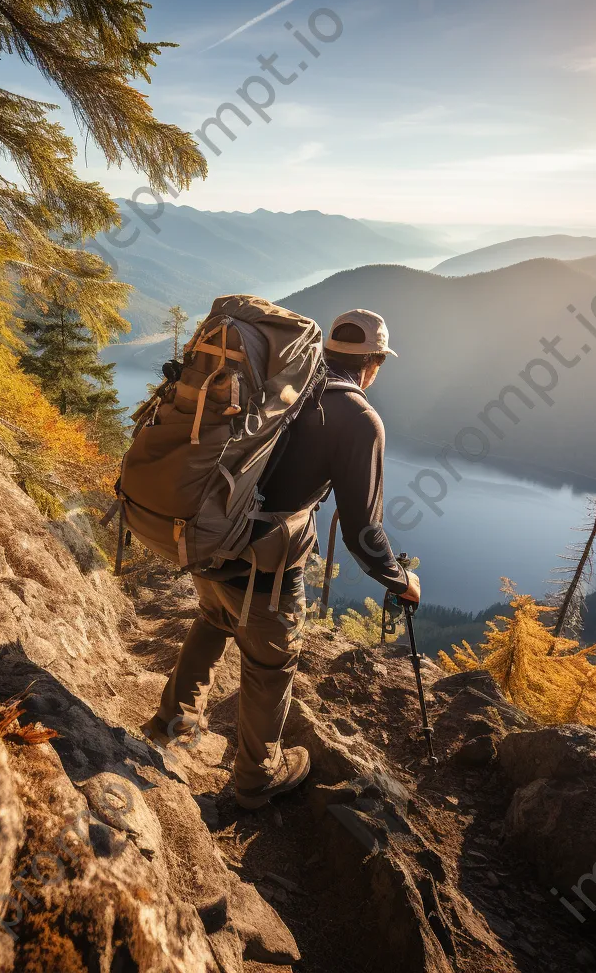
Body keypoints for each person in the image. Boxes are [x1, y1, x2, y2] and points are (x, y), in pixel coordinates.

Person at [142, 309, 420, 809]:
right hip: (263, 571)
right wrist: (400, 580)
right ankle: (256, 778)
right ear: (374, 362)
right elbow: (363, 533)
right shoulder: (359, 419)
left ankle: (171, 726)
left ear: (328, 347)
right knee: (271, 666)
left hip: (205, 537)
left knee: (212, 619)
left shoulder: (278, 381)